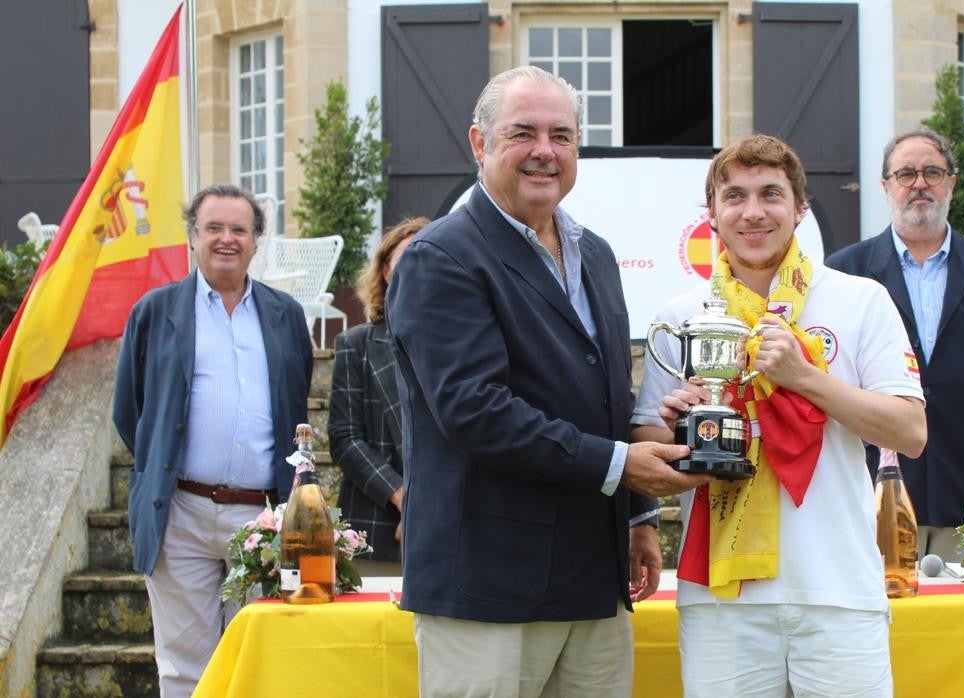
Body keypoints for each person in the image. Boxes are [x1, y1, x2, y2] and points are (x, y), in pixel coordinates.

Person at [386, 66, 708, 697]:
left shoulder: (598, 255)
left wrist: (638, 514)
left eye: (561, 134)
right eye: (523, 132)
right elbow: (476, 412)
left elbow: (608, 396)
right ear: (479, 144)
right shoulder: (442, 258)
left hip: (593, 580)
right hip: (489, 587)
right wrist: (623, 467)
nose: (544, 150)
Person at [632, 134, 928, 696]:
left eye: (771, 194)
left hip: (838, 586)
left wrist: (805, 378)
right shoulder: (680, 316)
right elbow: (648, 435)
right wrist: (679, 423)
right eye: (734, 196)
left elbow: (910, 433)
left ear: (799, 209)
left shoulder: (860, 299)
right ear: (713, 216)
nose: (752, 212)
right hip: (723, 595)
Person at [112, 183, 313, 697]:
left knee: (260, 660)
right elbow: (130, 411)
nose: (227, 239)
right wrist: (162, 465)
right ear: (192, 237)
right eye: (214, 228)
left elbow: (295, 405)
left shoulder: (287, 316)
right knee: (184, 667)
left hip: (261, 518)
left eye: (239, 229)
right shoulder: (155, 312)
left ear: (256, 240)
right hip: (179, 511)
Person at [825, 128, 964, 562]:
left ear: (952, 183)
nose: (919, 184)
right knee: (886, 620)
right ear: (886, 186)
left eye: (932, 172)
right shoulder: (846, 271)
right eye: (905, 174)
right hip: (876, 480)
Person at [328, 216, 429, 577]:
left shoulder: (464, 348)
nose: (418, 270)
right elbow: (345, 440)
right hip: (376, 530)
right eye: (407, 259)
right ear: (386, 270)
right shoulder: (356, 345)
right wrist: (407, 499)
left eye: (429, 259)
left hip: (452, 529)